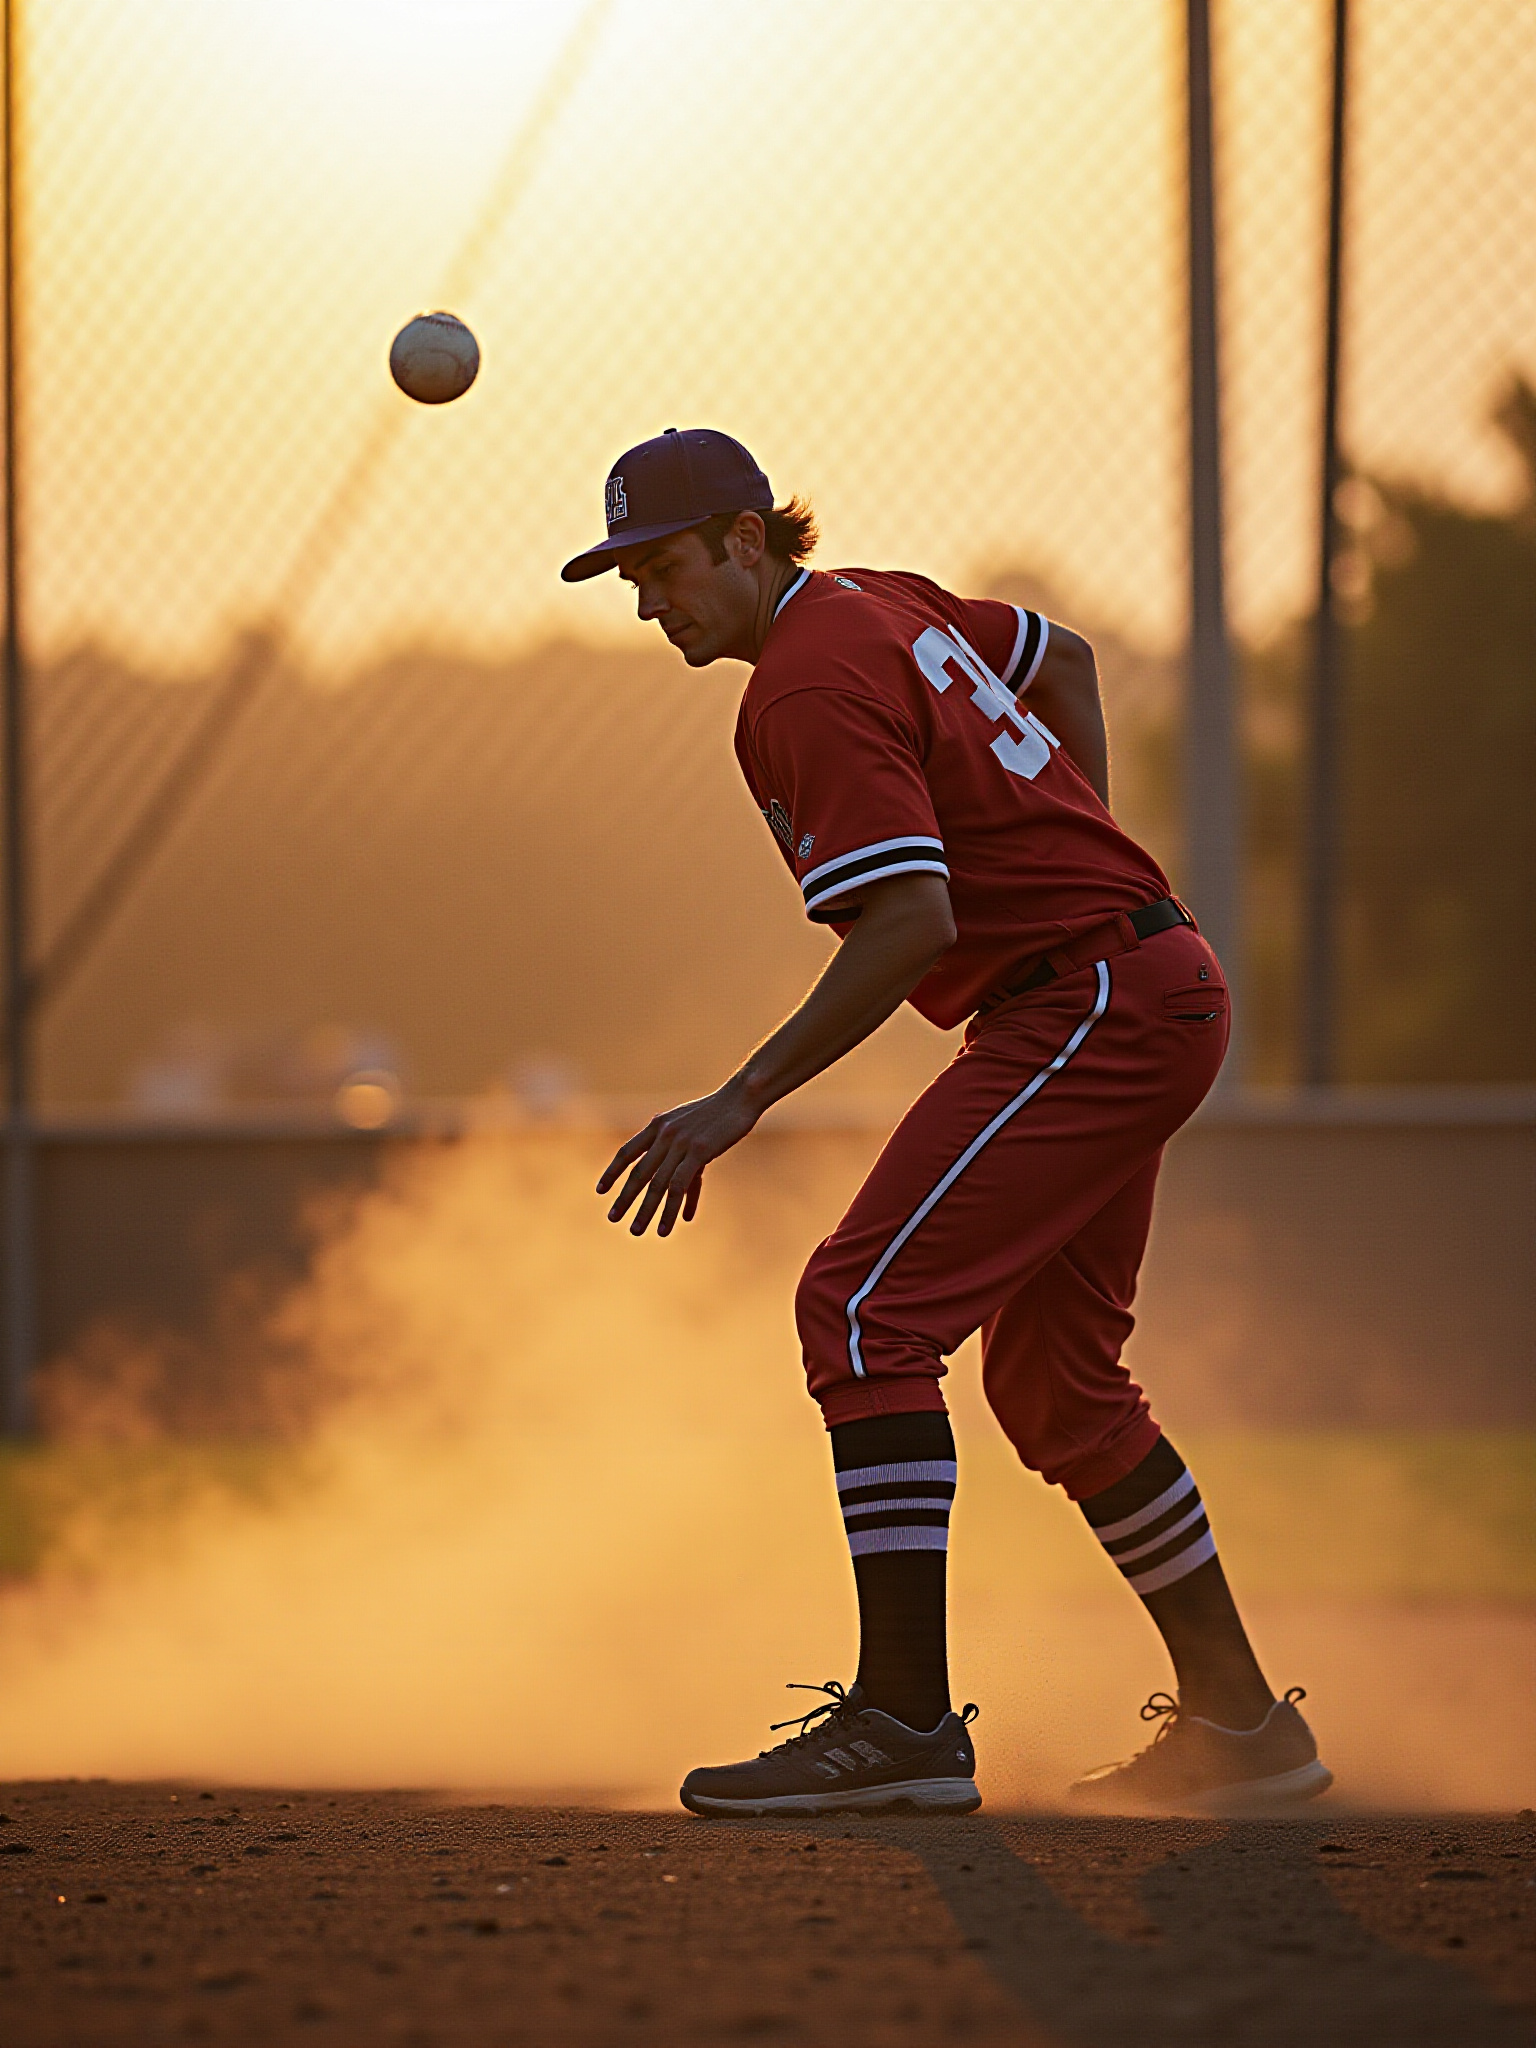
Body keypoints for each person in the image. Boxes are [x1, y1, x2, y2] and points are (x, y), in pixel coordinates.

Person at [563, 427, 1330, 1818]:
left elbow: (912, 919)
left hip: (1089, 997)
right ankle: (1243, 1725)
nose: (647, 601)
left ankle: (906, 1718)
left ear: (748, 539)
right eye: (628, 578)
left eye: (664, 564)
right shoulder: (880, 597)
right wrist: (1071, 836)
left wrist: (737, 1100)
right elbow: (1069, 661)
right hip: (1138, 980)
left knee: (858, 1311)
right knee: (1057, 1387)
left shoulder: (798, 686)